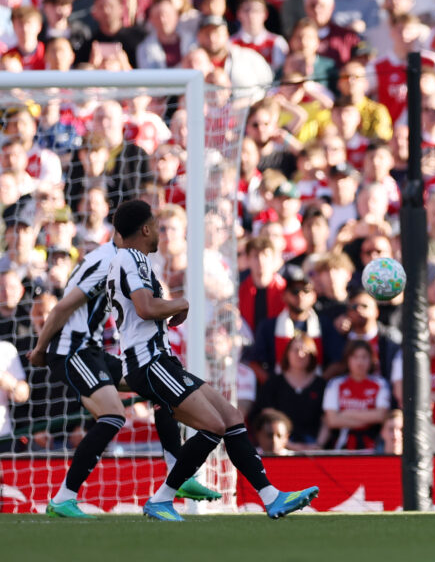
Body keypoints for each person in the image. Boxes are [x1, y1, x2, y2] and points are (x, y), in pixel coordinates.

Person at [105, 200, 318, 521]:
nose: (160, 235)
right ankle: (162, 499)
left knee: (231, 417)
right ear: (146, 228)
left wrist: (172, 310)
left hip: (161, 360)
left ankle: (271, 497)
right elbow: (146, 308)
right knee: (213, 426)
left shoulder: (134, 263)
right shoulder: (131, 260)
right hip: (148, 363)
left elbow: (151, 314)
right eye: (156, 226)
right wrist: (181, 302)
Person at [27, 239, 220, 519]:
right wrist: (40, 350)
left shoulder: (123, 263)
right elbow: (61, 309)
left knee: (157, 385)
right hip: (72, 350)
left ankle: (178, 472)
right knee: (113, 414)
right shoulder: (108, 261)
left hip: (92, 352)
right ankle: (63, 498)